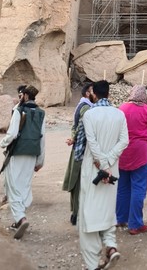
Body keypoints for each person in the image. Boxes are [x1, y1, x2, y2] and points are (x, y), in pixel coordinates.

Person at [78, 80, 129, 270]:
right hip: (112, 169)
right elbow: (124, 140)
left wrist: (102, 163)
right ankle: (110, 245)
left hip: (94, 169)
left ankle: (92, 263)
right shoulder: (119, 114)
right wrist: (109, 162)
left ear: (94, 94)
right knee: (108, 209)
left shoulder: (90, 115)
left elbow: (91, 142)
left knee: (89, 213)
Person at [0, 85, 45, 239]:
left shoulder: (19, 111)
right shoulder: (41, 113)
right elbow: (42, 138)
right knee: (24, 184)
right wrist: (40, 160)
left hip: (17, 153)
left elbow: (12, 134)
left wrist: (3, 143)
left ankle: (21, 218)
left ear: (25, 96)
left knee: (13, 186)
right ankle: (21, 216)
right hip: (33, 154)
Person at [117, 85, 147, 234]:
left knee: (122, 187)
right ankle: (135, 224)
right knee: (138, 188)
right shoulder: (145, 109)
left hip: (122, 152)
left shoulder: (122, 108)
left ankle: (120, 218)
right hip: (140, 153)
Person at [63, 82, 94, 225]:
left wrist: (73, 138)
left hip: (78, 148)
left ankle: (75, 213)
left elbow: (75, 127)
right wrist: (76, 139)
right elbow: (82, 128)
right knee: (80, 182)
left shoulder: (81, 105)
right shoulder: (87, 108)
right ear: (88, 93)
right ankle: (78, 213)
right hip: (82, 151)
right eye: (93, 91)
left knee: (77, 182)